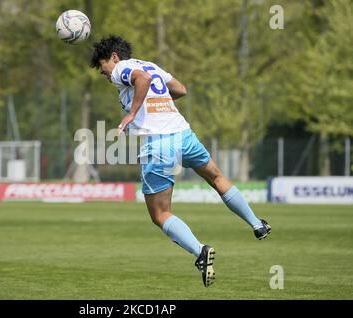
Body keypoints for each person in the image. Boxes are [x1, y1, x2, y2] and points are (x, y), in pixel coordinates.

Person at [90, 35, 271, 287]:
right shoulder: (151, 64)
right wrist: (156, 103)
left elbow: (142, 79)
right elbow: (180, 89)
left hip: (159, 142)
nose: (104, 74)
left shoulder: (123, 68)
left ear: (114, 57)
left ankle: (200, 251)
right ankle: (257, 223)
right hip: (183, 134)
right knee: (217, 178)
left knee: (160, 213)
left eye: (102, 67)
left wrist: (133, 113)